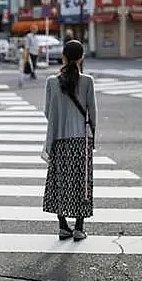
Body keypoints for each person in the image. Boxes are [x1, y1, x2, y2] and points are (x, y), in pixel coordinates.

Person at [43, 40, 97, 241]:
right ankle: (79, 227)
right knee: (81, 183)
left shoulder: (51, 82)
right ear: (81, 57)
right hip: (81, 141)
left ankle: (63, 226)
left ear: (63, 56)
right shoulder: (88, 82)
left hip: (59, 139)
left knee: (60, 182)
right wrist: (93, 136)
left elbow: (48, 112)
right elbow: (92, 113)